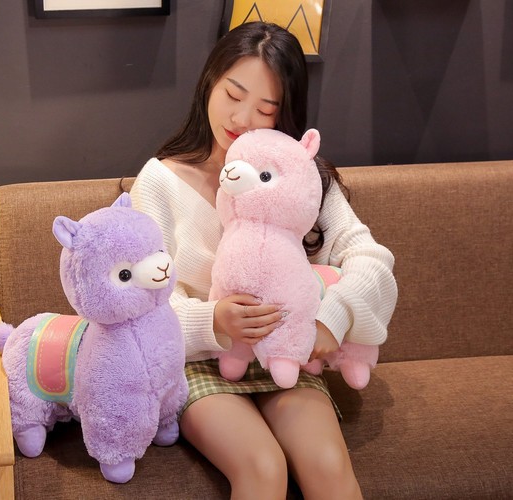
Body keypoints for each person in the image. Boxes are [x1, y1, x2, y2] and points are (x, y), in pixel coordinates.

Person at [130, 21, 397, 500]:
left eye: (265, 109)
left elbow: (372, 260)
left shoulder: (300, 176)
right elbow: (144, 304)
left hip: (287, 354)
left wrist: (331, 318)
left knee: (327, 464)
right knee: (262, 466)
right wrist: (213, 319)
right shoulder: (159, 182)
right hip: (198, 361)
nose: (241, 117)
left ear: (284, 113)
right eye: (232, 94)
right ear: (209, 83)